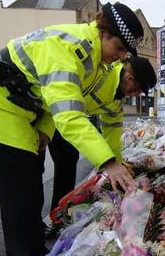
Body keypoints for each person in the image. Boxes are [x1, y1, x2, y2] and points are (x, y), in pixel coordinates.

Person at [0, 2, 142, 256]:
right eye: (119, 48)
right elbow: (70, 115)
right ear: (103, 32)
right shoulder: (70, 49)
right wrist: (109, 163)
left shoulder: (92, 58)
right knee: (22, 185)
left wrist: (43, 131)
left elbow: (51, 96)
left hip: (11, 105)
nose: (120, 57)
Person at [44, 55, 157, 238]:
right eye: (137, 90)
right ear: (130, 79)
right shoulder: (101, 74)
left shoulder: (116, 98)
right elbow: (74, 119)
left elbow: (112, 134)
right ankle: (39, 230)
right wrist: (108, 163)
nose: (136, 95)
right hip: (54, 113)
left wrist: (118, 167)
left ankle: (60, 218)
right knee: (30, 174)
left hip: (66, 116)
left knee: (67, 163)